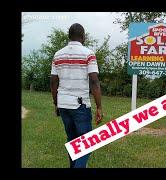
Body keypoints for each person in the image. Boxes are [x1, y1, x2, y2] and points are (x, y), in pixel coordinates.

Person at [50, 23, 103, 168]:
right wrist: (99, 107)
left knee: (73, 142)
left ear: (69, 36)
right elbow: (94, 80)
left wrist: (56, 104)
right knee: (86, 143)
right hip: (80, 105)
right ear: (83, 36)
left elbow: (53, 82)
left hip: (63, 104)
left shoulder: (58, 54)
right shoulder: (88, 54)